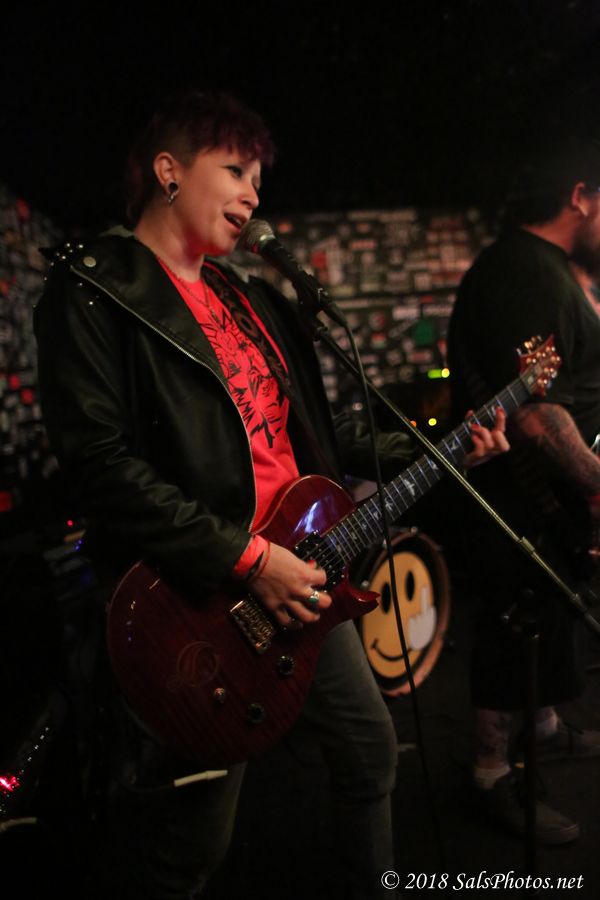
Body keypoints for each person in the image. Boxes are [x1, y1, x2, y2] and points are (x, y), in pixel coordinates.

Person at [34, 89, 507, 899]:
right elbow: (99, 466)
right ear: (169, 171)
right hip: (205, 601)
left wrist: (452, 442)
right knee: (192, 844)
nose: (254, 195)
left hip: (305, 572)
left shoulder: (248, 299)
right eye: (235, 170)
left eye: (259, 179)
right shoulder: (94, 291)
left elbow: (318, 434)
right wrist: (250, 560)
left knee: (370, 753)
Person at [447, 136, 600, 846]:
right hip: (519, 497)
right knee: (515, 628)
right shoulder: (522, 272)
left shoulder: (547, 268)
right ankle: (490, 773)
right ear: (579, 196)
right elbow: (535, 413)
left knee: (545, 625)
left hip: (548, 501)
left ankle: (539, 725)